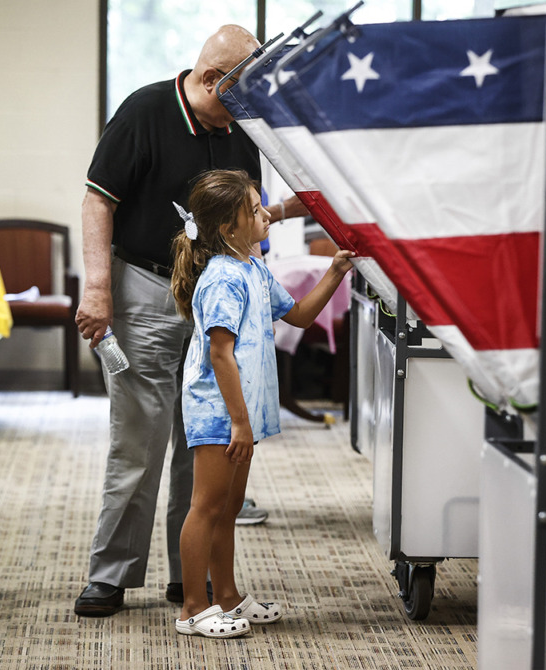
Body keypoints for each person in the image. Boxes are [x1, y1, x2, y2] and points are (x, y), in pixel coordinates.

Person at [73, 24, 306, 618]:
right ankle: (112, 574)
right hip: (144, 289)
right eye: (238, 96)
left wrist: (279, 214)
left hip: (212, 299)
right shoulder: (145, 112)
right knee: (140, 440)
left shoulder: (237, 129)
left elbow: (238, 219)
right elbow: (99, 199)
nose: (244, 113)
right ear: (210, 80)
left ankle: (190, 577)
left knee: (200, 438)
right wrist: (97, 288)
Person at [171, 169, 353, 638]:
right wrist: (239, 423)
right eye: (254, 210)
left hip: (240, 413)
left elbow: (300, 315)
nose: (265, 214)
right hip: (219, 411)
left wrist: (335, 269)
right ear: (228, 228)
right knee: (206, 506)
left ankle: (227, 596)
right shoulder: (220, 280)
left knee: (229, 507)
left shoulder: (252, 268)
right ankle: (194, 607)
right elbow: (219, 352)